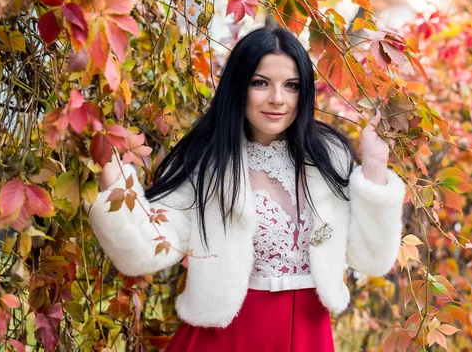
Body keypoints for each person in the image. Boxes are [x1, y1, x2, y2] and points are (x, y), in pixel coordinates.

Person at [87, 26, 406, 351]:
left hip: (310, 335)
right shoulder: (209, 162)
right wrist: (109, 172)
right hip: (227, 337)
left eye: (291, 85)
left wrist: (376, 166)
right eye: (260, 83)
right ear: (239, 86)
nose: (277, 98)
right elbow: (146, 249)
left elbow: (371, 259)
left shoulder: (328, 158)